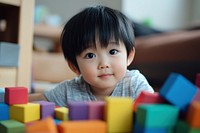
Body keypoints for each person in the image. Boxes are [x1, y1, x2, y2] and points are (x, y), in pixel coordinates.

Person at [29, 5, 154, 107]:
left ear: (129, 56)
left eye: (113, 52)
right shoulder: (69, 91)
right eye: (90, 55)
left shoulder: (135, 84)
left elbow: (155, 112)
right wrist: (11, 96)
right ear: (74, 66)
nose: (104, 64)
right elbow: (38, 99)